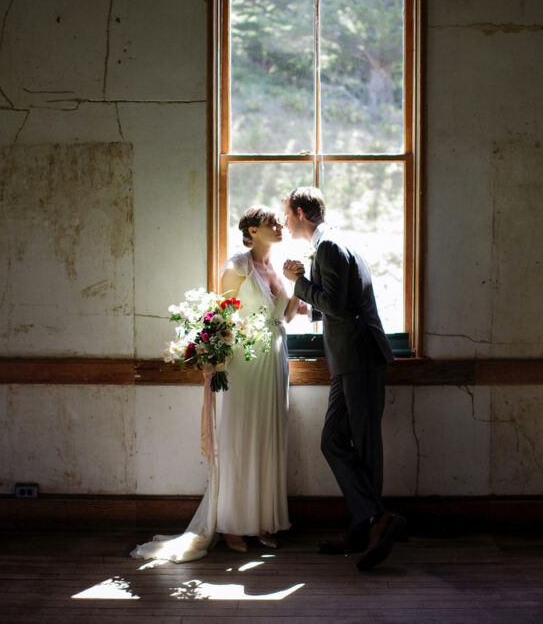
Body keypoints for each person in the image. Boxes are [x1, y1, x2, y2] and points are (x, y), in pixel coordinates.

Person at [132, 205, 302, 563]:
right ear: (251, 231)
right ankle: (232, 525)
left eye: (277, 221)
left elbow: (285, 316)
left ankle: (262, 522)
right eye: (269, 222)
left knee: (268, 439)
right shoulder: (237, 267)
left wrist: (297, 284)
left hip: (275, 359)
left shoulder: (278, 268)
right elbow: (223, 320)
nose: (277, 225)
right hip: (244, 363)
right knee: (239, 440)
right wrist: (211, 353)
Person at [281, 186, 404, 571]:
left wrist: (298, 281)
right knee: (333, 441)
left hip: (360, 357)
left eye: (286, 213)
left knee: (365, 447)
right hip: (345, 359)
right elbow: (339, 304)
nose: (284, 220)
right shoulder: (333, 243)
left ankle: (366, 528)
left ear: (301, 212)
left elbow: (335, 304)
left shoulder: (330, 246)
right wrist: (307, 304)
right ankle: (370, 518)